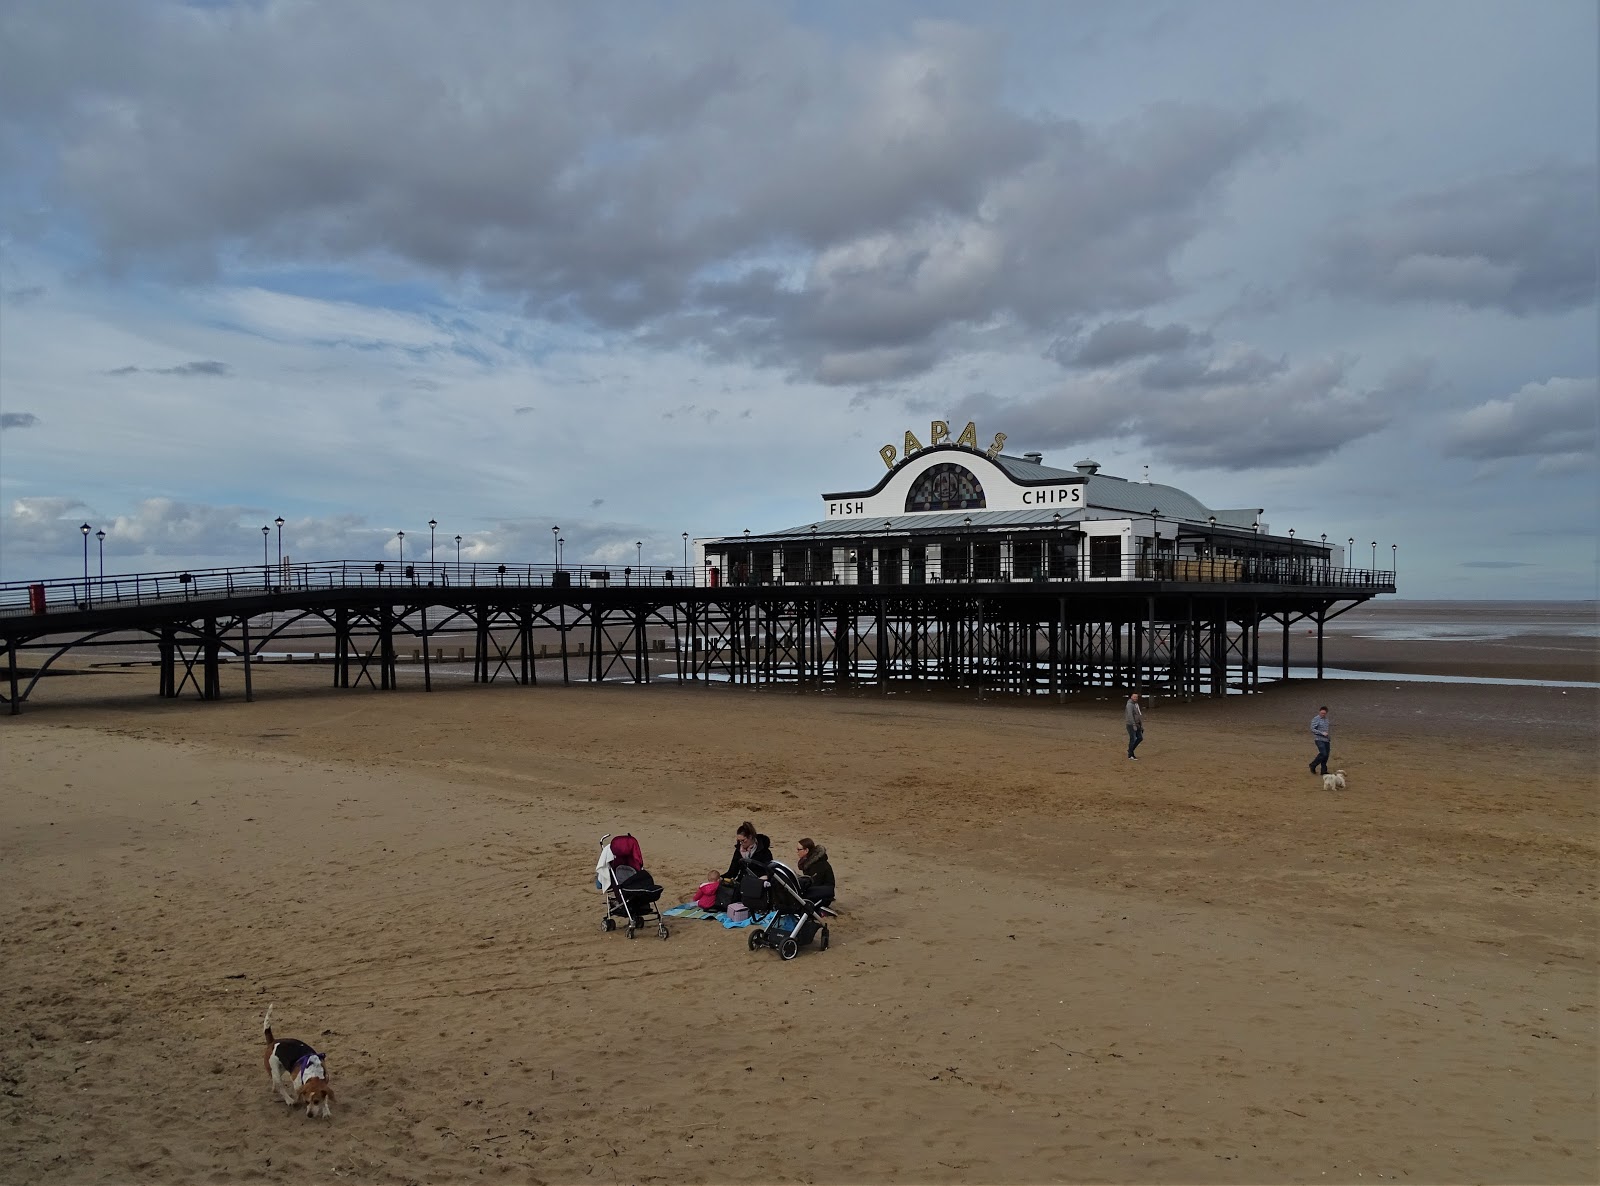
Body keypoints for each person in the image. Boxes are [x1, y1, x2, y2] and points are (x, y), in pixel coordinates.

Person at [794, 837, 835, 908]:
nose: (797, 852)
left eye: (799, 849)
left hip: (823, 896)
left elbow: (815, 883)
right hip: (819, 891)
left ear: (806, 850)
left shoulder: (818, 865)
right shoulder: (809, 862)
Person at [1309, 705, 1331, 776]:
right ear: (1319, 712)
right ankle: (1313, 765)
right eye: (1322, 713)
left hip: (1326, 740)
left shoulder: (1326, 720)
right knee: (1323, 753)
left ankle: (1323, 770)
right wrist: (1322, 733)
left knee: (1326, 755)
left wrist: (1328, 737)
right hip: (1319, 739)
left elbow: (1326, 730)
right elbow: (1312, 729)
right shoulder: (1316, 719)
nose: (1323, 714)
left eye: (1324, 713)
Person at [1125, 693, 1144, 760]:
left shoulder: (1136, 704)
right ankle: (1130, 755)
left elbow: (1138, 715)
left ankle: (1130, 750)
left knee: (1140, 738)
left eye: (1136, 697)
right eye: (1134, 697)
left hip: (1137, 724)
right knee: (1133, 739)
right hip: (1131, 724)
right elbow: (1130, 716)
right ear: (1131, 697)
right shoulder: (1129, 705)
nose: (1136, 698)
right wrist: (1133, 724)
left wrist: (1141, 725)